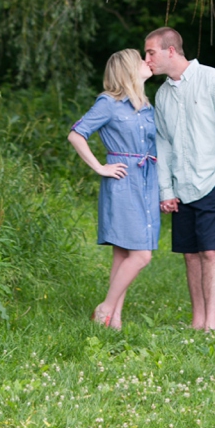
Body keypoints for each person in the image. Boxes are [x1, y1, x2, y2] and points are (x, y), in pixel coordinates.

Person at [143, 27, 215, 332]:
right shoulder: (162, 95)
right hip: (181, 186)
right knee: (190, 255)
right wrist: (166, 189)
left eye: (150, 53)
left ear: (170, 51)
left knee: (211, 252)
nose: (146, 59)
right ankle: (197, 321)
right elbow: (163, 144)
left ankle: (211, 325)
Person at [68, 48, 159, 330]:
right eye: (141, 59)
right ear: (129, 69)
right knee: (141, 255)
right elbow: (76, 134)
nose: (147, 62)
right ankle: (105, 308)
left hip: (147, 181)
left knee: (123, 254)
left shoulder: (145, 105)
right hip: (122, 181)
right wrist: (100, 167)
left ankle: (114, 320)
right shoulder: (108, 103)